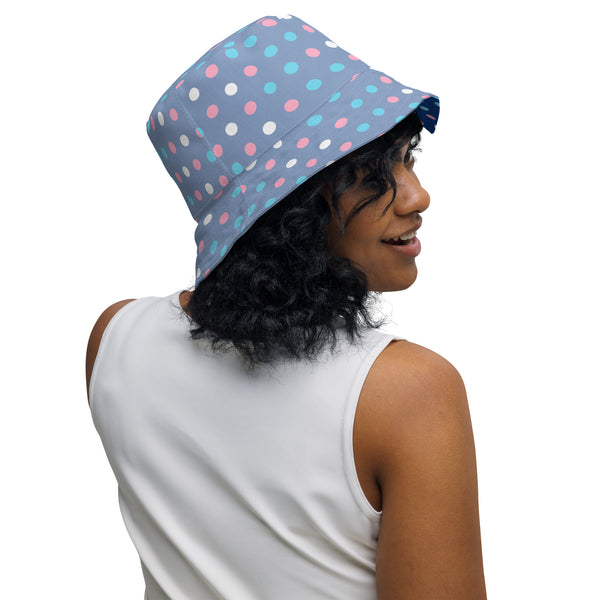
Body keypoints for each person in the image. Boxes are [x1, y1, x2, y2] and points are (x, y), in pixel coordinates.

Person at [86, 14, 487, 600]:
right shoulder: (409, 393)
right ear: (290, 211)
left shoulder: (116, 338)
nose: (417, 196)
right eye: (370, 175)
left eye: (409, 158)